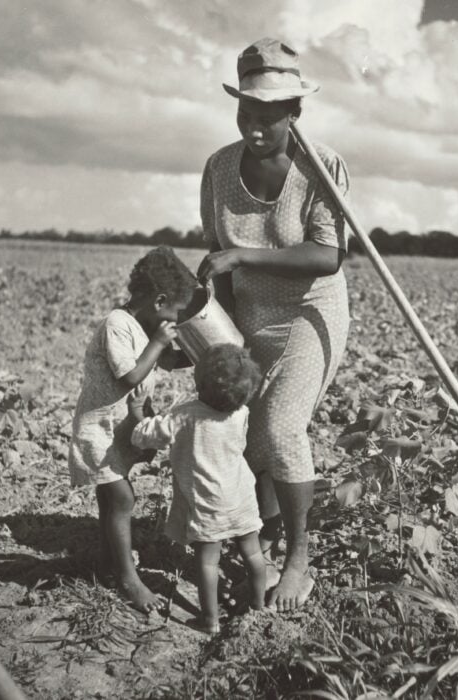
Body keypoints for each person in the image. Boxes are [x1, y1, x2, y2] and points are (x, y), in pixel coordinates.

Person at [196, 38, 350, 612]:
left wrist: (242, 256)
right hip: (251, 317)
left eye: (268, 119)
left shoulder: (322, 167)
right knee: (247, 436)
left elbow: (327, 255)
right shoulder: (218, 167)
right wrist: (220, 328)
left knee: (282, 431)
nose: (254, 129)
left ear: (295, 114)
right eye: (246, 116)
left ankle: (298, 560)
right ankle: (258, 541)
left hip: (313, 313)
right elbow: (216, 252)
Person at [68, 246, 196, 613]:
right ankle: (128, 579)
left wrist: (197, 349)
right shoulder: (117, 325)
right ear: (159, 301)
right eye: (177, 311)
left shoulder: (142, 325)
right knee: (122, 499)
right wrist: (158, 343)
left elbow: (167, 361)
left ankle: (110, 564)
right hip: (99, 429)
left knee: (112, 499)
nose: (177, 319)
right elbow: (129, 375)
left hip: (118, 428)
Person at [129, 344, 266, 634]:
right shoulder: (241, 413)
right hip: (241, 495)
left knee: (207, 561)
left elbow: (146, 436)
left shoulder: (185, 416)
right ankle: (257, 607)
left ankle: (210, 620)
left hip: (208, 503)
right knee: (253, 554)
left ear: (199, 383)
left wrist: (137, 411)